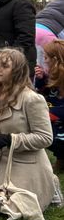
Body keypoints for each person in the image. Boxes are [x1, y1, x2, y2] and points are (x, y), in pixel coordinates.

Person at [0, 47, 61, 217]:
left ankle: (48, 182)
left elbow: (46, 138)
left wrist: (10, 139)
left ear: (17, 71)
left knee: (5, 210)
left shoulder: (33, 99)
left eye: (4, 66)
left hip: (26, 164)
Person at [34, 40, 64, 172]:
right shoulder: (53, 77)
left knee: (51, 134)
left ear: (55, 60)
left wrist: (47, 113)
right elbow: (43, 94)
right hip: (54, 118)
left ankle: (61, 160)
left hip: (57, 118)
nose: (44, 61)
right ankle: (61, 160)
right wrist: (41, 79)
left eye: (46, 57)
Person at [35, 0, 64, 71]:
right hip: (49, 32)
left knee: (38, 68)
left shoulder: (53, 3)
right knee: (56, 67)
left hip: (33, 29)